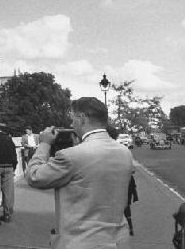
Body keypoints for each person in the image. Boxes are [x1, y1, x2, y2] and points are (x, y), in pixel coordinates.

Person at [25, 97, 133, 248]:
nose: (71, 124)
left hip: (83, 241)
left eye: (72, 118)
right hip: (118, 240)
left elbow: (34, 176)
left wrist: (44, 143)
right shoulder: (125, 152)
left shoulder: (71, 155)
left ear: (82, 118)